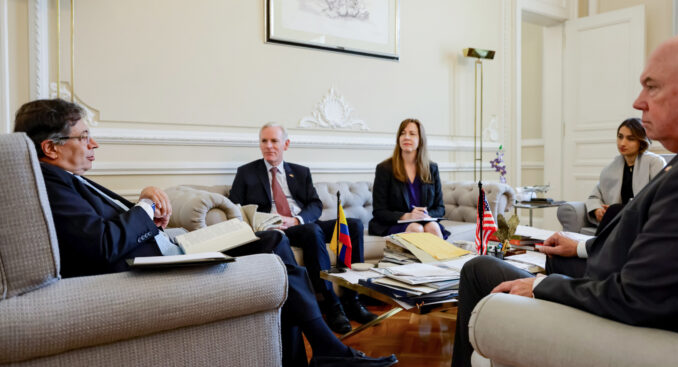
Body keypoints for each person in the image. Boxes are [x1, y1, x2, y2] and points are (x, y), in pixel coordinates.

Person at [13, 99, 397, 367]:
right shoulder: (50, 185)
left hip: (163, 246)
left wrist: (145, 210)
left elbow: (103, 229)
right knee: (275, 250)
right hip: (153, 265)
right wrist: (146, 209)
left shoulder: (63, 179)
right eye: (83, 136)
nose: (93, 144)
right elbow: (102, 244)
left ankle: (313, 353)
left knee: (275, 244)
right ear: (50, 147)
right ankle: (327, 349)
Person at [452, 30, 678, 366]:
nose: (639, 101)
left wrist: (543, 285)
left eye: (652, 86)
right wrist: (581, 246)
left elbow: (638, 297)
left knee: (478, 269)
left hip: (609, 310)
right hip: (608, 272)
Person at [228, 122, 377, 334]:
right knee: (312, 231)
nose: (269, 146)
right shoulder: (246, 173)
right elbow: (234, 207)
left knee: (352, 225)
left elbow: (315, 204)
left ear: (286, 144)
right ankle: (332, 305)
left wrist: (298, 219)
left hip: (300, 224)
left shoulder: (300, 172)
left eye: (274, 141)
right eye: (264, 141)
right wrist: (263, 222)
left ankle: (352, 299)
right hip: (276, 230)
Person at [369, 118, 449, 239]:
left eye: (412, 134)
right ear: (398, 138)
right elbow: (379, 211)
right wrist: (407, 216)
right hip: (393, 224)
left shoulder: (432, 168)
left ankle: (444, 258)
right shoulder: (384, 169)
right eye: (403, 133)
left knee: (432, 227)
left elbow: (440, 208)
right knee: (416, 228)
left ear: (420, 140)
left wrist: (425, 214)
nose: (406, 137)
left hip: (424, 222)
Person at [585, 117, 666, 232]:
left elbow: (659, 196)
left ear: (641, 141)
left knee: (614, 210)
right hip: (619, 219)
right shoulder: (610, 168)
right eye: (620, 137)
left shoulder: (655, 163)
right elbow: (594, 196)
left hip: (644, 216)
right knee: (614, 211)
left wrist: (624, 209)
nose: (622, 143)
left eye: (630, 139)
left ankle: (595, 246)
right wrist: (597, 209)